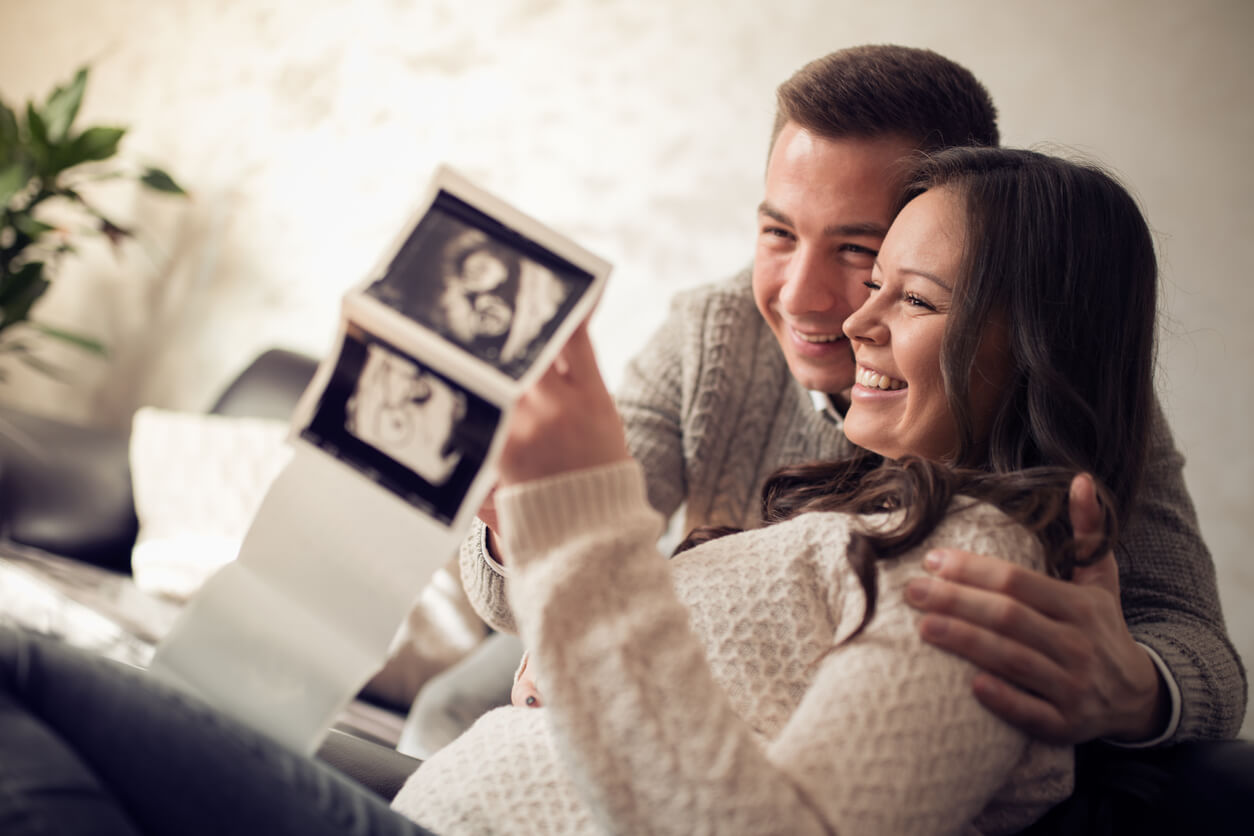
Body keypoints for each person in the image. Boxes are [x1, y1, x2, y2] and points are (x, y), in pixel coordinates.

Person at [0, 145, 1168, 834]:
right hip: (434, 802)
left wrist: (593, 536)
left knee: (17, 669)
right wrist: (529, 516)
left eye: (902, 293)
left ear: (1037, 339)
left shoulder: (988, 574)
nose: (845, 313)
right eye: (779, 232)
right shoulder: (837, 496)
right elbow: (555, 620)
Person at [459, 44, 1246, 747]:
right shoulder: (713, 332)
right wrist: (518, 531)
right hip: (642, 667)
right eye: (777, 234)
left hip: (714, 727)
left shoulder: (1053, 402)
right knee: (449, 709)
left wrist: (1135, 687)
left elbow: (1197, 651)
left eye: (861, 253)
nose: (802, 298)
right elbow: (567, 557)